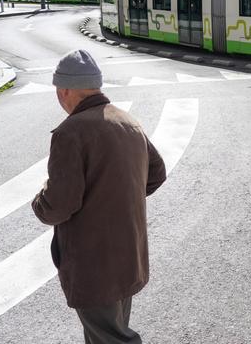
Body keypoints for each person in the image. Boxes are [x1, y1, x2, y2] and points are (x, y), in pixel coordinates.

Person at [32, 49, 167, 344]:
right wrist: (118, 194)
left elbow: (59, 204)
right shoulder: (127, 121)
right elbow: (156, 173)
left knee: (112, 339)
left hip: (94, 261)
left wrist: (38, 202)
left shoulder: (71, 132)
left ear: (64, 90)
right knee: (110, 332)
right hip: (128, 254)